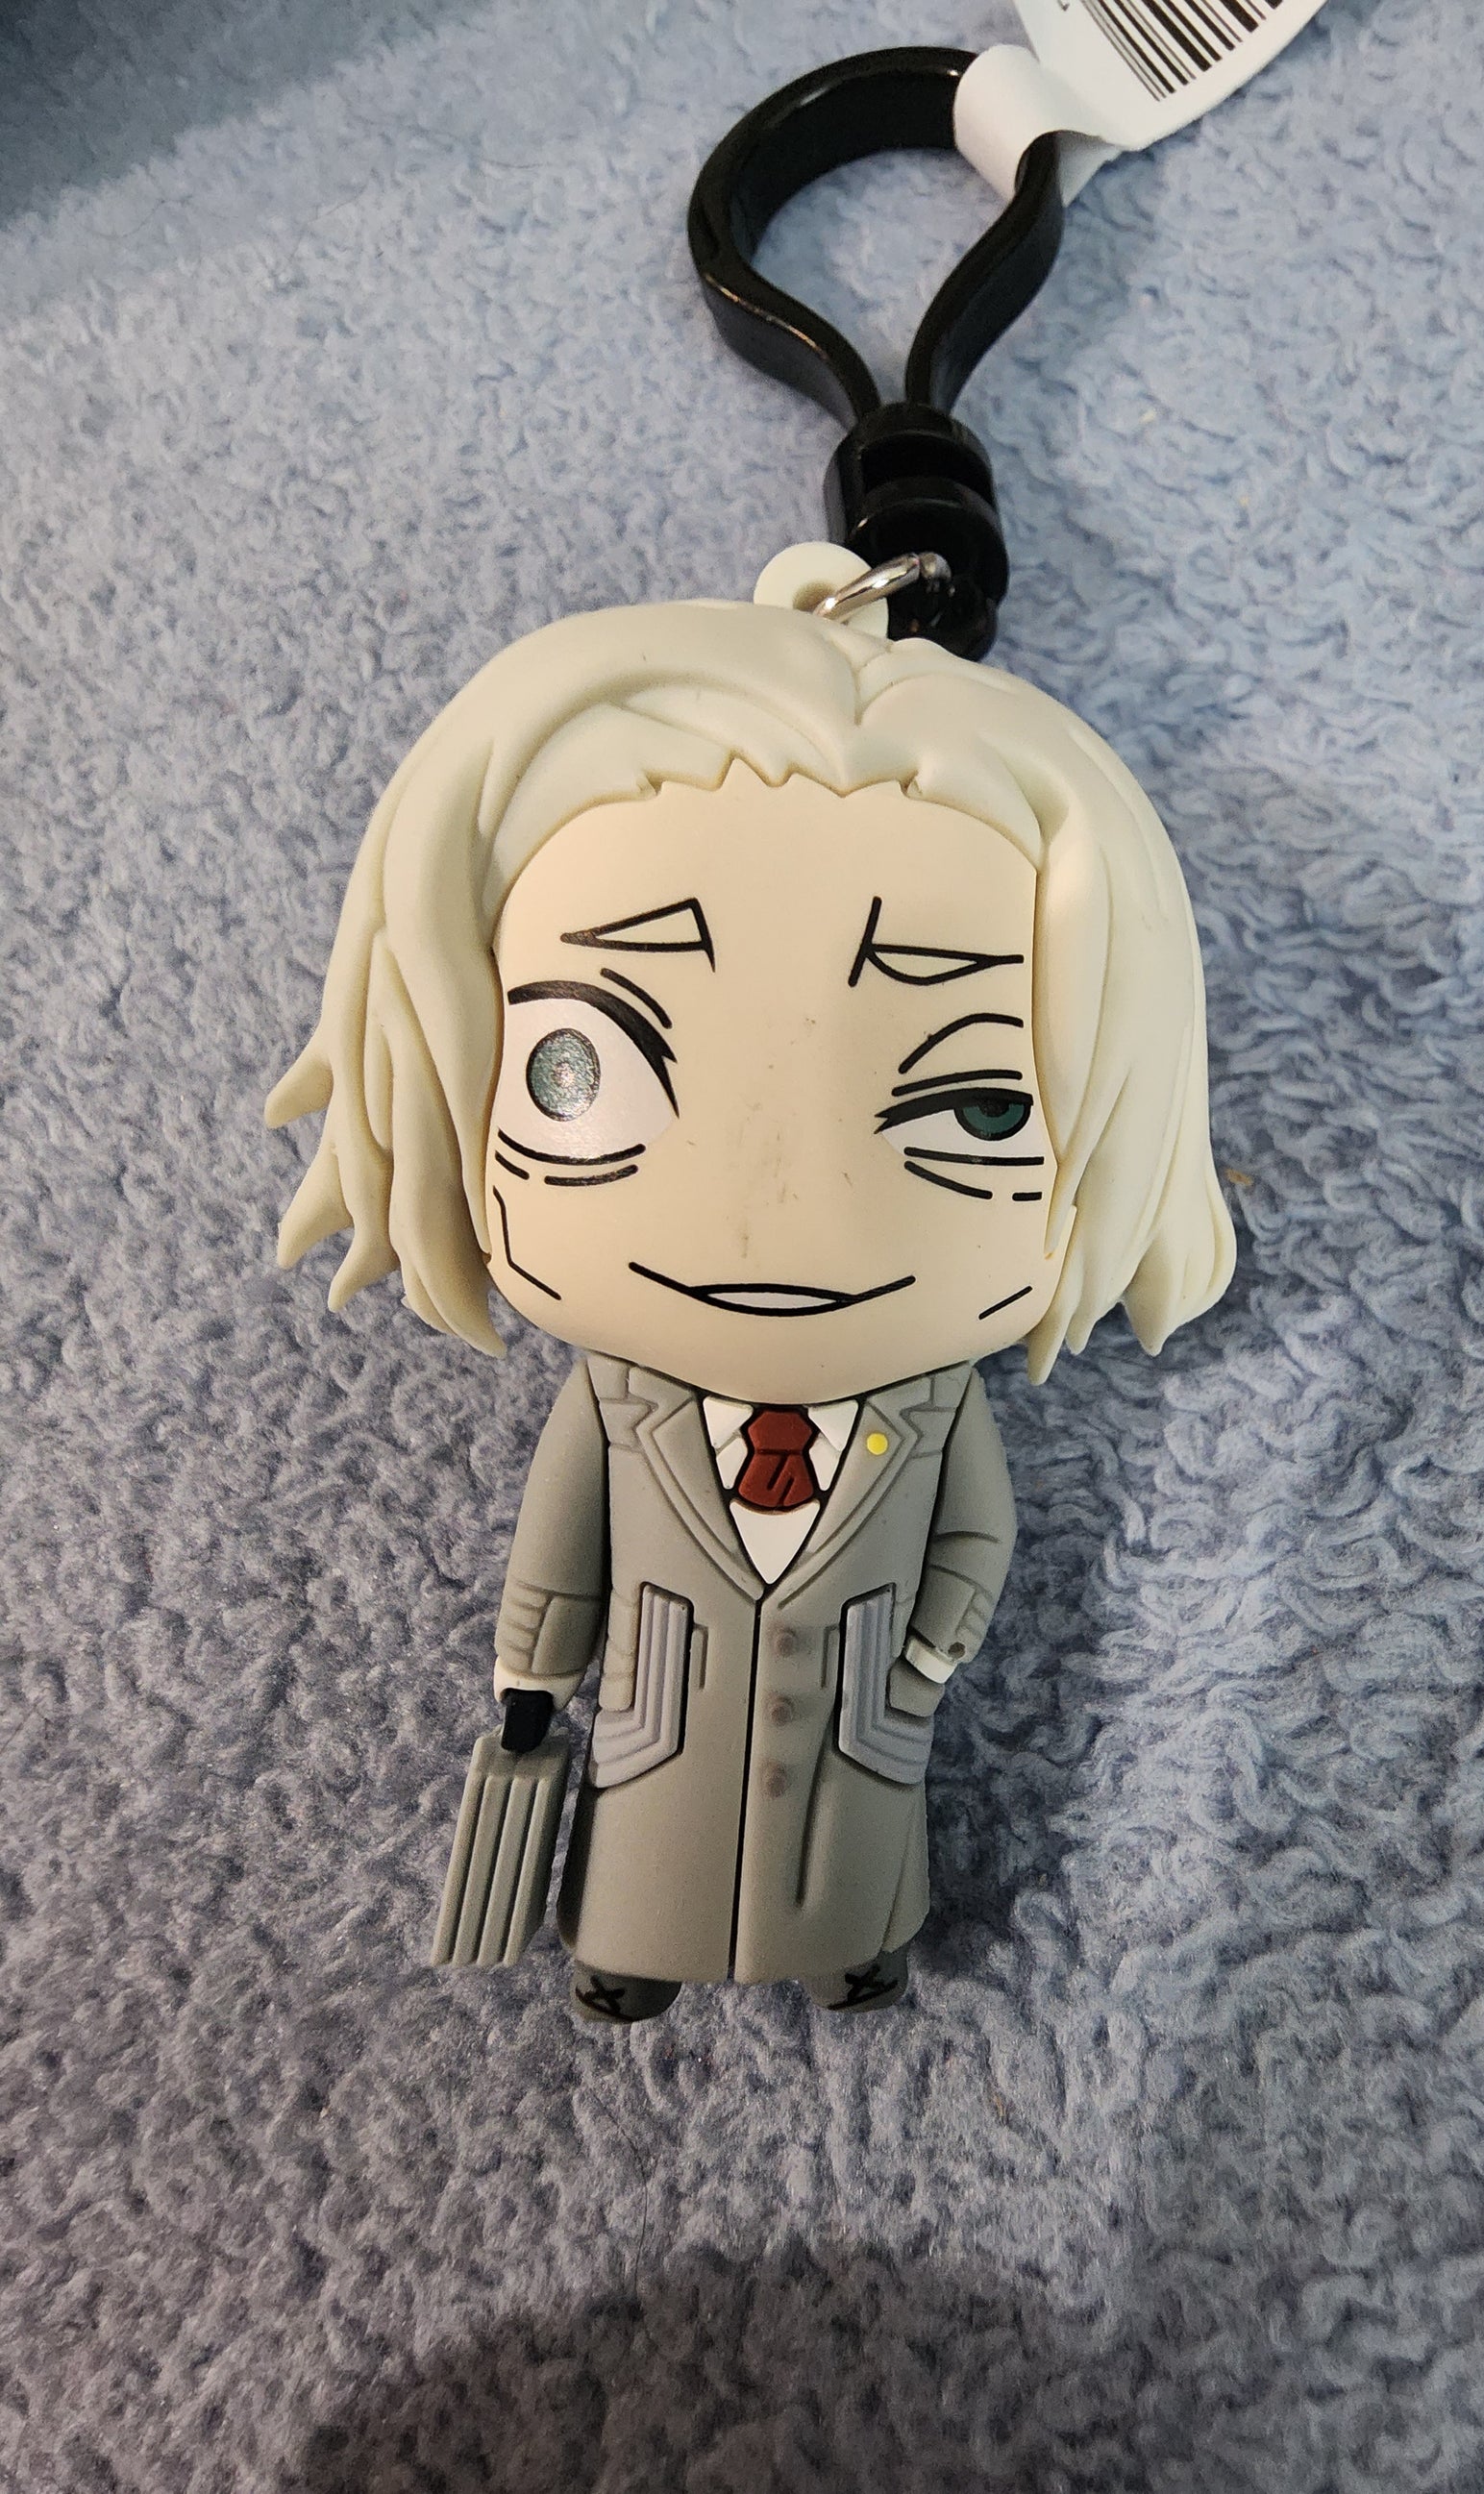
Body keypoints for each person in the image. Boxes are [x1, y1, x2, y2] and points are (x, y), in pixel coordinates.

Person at [267, 549, 1235, 2022]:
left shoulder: (927, 1403)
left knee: (852, 1857)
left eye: (978, 1103)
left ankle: (859, 1945)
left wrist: (925, 1659)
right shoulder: (618, 1395)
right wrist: (531, 1680)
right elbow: (561, 1543)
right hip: (660, 1729)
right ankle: (625, 1949)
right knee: (645, 1855)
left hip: (862, 1727)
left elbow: (976, 1528)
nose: (784, 1208)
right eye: (579, 1066)